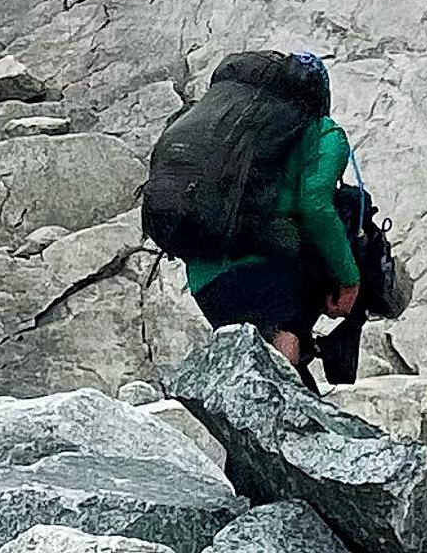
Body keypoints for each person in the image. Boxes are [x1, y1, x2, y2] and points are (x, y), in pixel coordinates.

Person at [143, 48, 359, 369]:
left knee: (254, 365)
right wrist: (348, 279)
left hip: (206, 282)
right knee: (280, 338)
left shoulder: (221, 125)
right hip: (265, 269)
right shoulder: (321, 131)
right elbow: (314, 204)